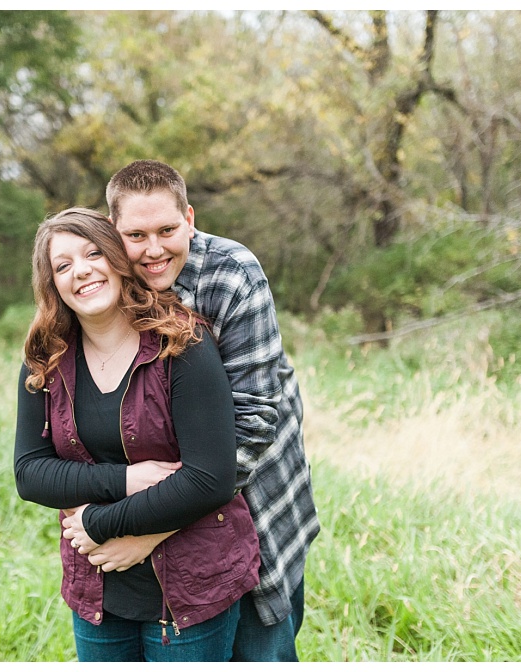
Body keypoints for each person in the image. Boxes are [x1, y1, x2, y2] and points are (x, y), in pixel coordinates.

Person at [13, 207, 261, 662]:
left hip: (192, 587)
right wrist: (125, 481)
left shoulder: (182, 344)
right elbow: (30, 473)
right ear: (53, 285)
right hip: (98, 590)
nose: (81, 270)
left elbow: (211, 479)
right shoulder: (45, 361)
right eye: (63, 265)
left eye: (93, 253)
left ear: (117, 258)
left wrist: (99, 522)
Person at [102, 159, 321, 662]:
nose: (154, 250)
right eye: (136, 235)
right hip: (164, 495)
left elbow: (255, 419)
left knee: (262, 640)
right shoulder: (107, 281)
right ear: (115, 232)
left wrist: (151, 527)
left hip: (255, 489)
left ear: (190, 218)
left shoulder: (233, 272)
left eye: (167, 230)